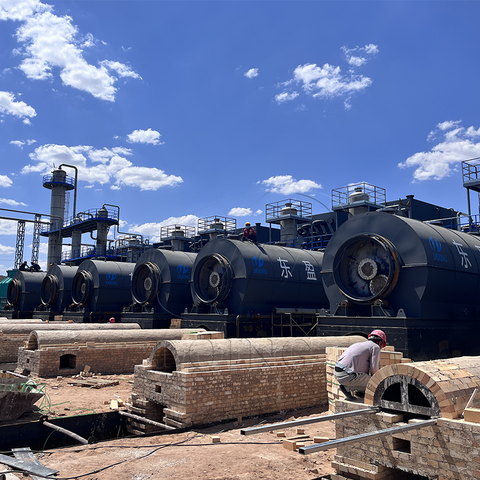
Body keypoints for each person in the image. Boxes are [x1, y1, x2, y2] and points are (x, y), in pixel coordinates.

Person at [334, 329, 387, 400]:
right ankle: (348, 387)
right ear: (380, 342)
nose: (381, 348)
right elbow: (374, 368)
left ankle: (359, 392)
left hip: (337, 372)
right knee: (374, 382)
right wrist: (380, 379)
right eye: (382, 346)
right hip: (347, 375)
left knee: (365, 377)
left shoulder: (358, 344)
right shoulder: (375, 347)